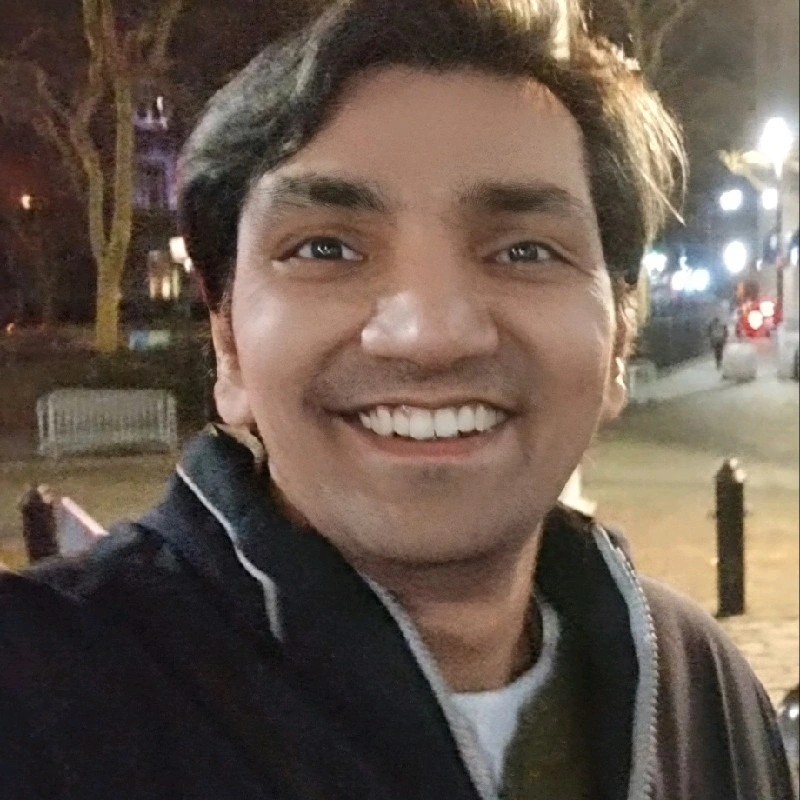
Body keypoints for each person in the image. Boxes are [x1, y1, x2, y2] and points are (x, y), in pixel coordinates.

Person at [0, 2, 793, 798]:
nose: (430, 334)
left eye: (525, 250)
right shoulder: (36, 696)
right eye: (326, 248)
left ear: (620, 338)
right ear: (229, 342)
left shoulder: (699, 692)